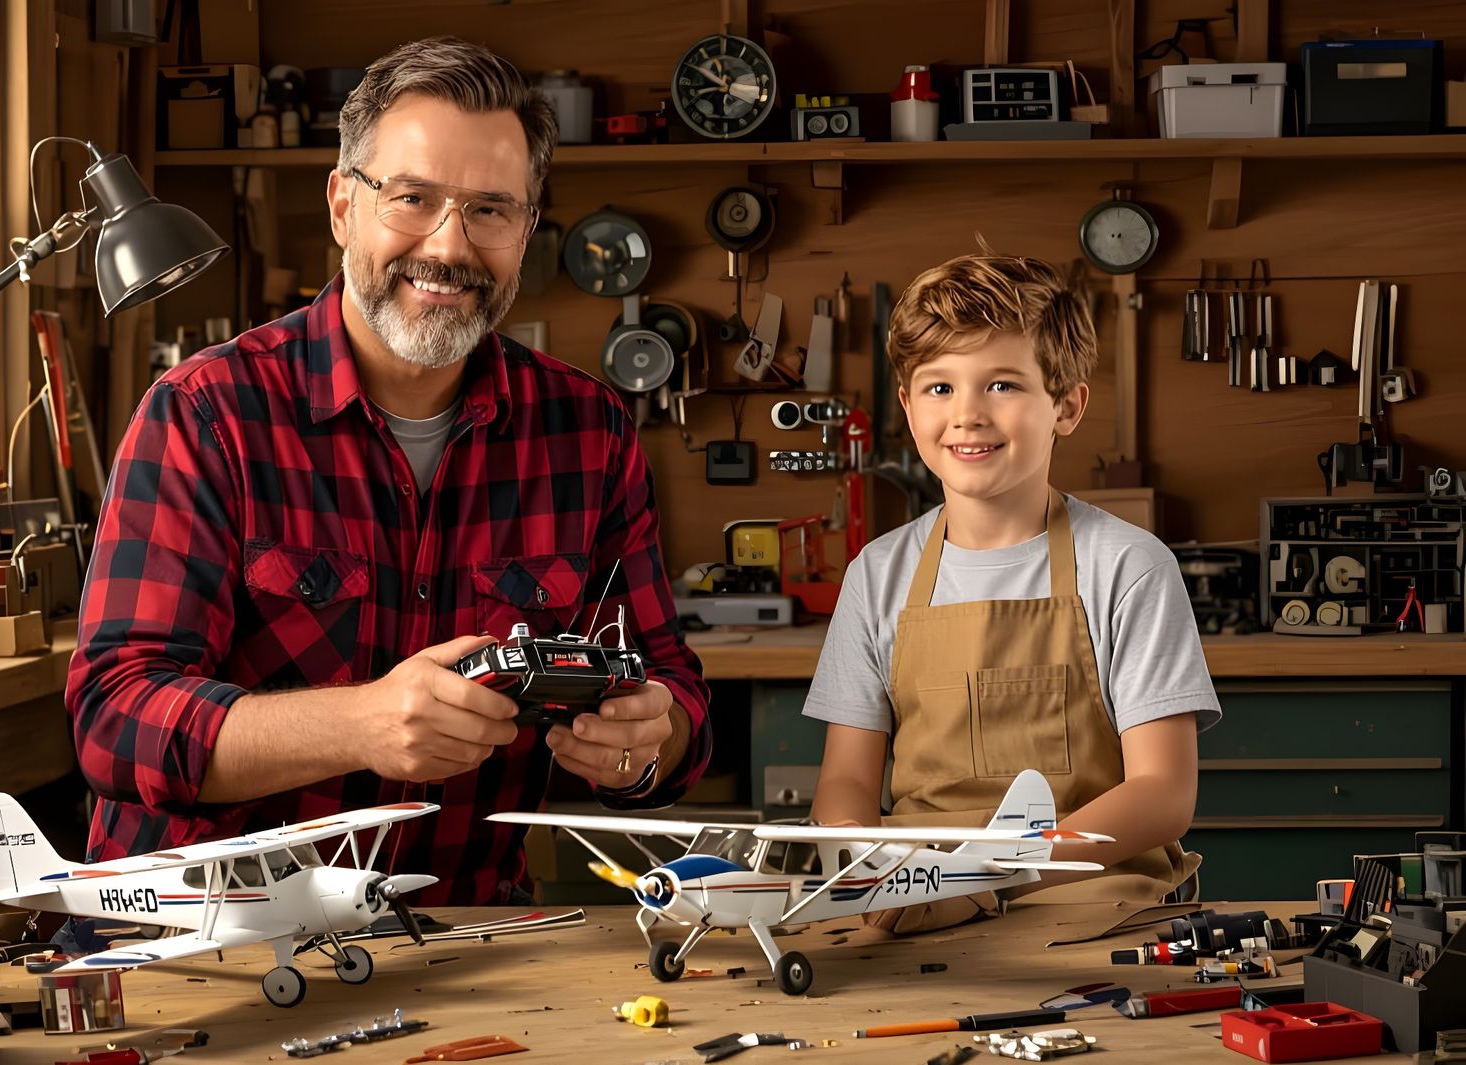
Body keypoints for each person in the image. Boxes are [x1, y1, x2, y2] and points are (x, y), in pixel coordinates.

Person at [65, 37, 711, 905]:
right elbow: (114, 720)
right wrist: (359, 724)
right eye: (413, 198)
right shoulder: (204, 414)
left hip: (461, 935)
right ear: (343, 205)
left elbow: (672, 691)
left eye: (490, 209)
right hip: (209, 934)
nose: (448, 246)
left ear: (527, 230)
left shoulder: (588, 431)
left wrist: (645, 744)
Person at [804, 250, 1220, 932]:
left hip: (1087, 895)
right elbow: (846, 781)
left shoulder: (1128, 566)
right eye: (939, 387)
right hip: (913, 896)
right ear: (907, 405)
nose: (967, 415)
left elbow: (1162, 793)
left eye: (1002, 384)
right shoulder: (877, 574)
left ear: (1067, 406)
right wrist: (867, 865)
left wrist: (986, 878)